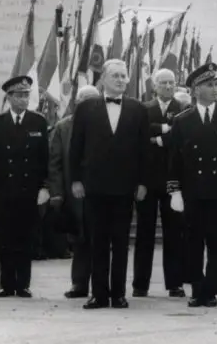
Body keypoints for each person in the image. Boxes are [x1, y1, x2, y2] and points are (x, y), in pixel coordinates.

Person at [69, 59, 150, 310]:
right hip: (94, 186)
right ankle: (99, 294)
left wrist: (143, 182)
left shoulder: (138, 109)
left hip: (125, 187)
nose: (120, 80)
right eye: (114, 75)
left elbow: (144, 150)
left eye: (123, 76)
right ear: (102, 79)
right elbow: (76, 147)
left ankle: (119, 294)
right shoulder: (86, 109)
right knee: (97, 242)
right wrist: (75, 180)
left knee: (121, 241)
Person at [168, 62, 217, 308]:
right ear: (195, 89)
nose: (214, 89)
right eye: (209, 85)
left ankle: (210, 290)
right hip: (192, 194)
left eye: (215, 84)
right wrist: (175, 191)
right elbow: (174, 159)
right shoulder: (182, 120)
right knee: (192, 244)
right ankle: (197, 289)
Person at [0, 76, 50, 298]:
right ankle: (6, 284)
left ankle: (23, 284)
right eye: (19, 95)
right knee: (6, 238)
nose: (23, 99)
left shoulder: (38, 121)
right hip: (5, 189)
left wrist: (44, 186)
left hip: (29, 190)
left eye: (26, 95)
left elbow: (44, 158)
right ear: (9, 97)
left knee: (25, 237)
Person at [133, 69, 187, 298]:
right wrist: (164, 131)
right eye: (163, 83)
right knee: (144, 234)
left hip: (174, 181)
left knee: (174, 234)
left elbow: (183, 137)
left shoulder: (184, 109)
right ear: (154, 86)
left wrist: (155, 138)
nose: (168, 86)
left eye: (171, 82)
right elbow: (137, 139)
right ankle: (140, 284)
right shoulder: (143, 109)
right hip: (148, 180)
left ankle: (175, 283)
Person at [49, 85, 99, 299]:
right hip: (75, 194)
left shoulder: (108, 125)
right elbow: (55, 163)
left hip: (101, 192)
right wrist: (57, 192)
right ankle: (79, 284)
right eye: (85, 100)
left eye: (93, 100)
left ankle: (101, 286)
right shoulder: (63, 127)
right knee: (80, 241)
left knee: (101, 240)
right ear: (77, 102)